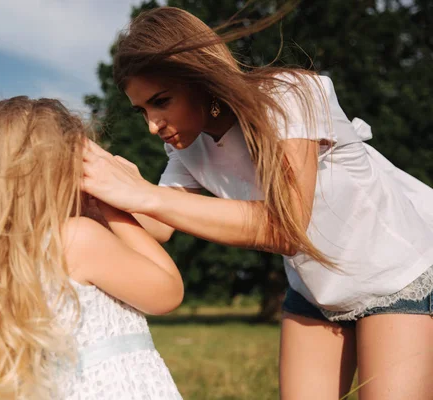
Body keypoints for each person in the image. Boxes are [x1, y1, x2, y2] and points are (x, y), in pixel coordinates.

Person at [81, 6, 433, 400]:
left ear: (198, 77)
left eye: (161, 101)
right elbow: (161, 223)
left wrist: (142, 193)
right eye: (142, 110)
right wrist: (95, 197)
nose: (152, 124)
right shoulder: (187, 150)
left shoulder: (290, 95)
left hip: (395, 274)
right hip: (316, 291)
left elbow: (287, 227)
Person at [0, 97, 183, 400]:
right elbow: (168, 291)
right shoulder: (76, 238)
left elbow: (160, 230)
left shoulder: (11, 258)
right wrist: (115, 200)